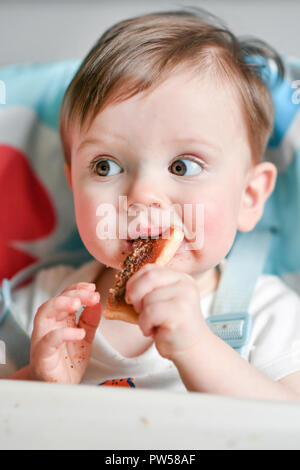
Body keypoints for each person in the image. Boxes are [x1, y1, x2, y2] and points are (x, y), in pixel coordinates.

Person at [8, 9, 300, 400]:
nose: (143, 195)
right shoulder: (45, 306)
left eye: (183, 166)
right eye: (106, 166)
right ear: (74, 187)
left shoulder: (270, 316)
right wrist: (34, 381)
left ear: (249, 197)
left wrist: (197, 349)